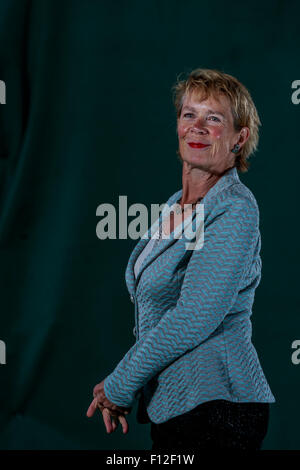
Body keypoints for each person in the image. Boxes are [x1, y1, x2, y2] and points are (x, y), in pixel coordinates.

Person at [86, 68, 275, 449]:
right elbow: (157, 314)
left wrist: (122, 382)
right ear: (177, 126)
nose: (198, 126)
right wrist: (127, 382)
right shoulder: (174, 206)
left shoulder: (235, 208)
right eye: (189, 114)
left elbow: (193, 316)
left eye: (214, 118)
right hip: (176, 409)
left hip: (219, 408)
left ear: (240, 138)